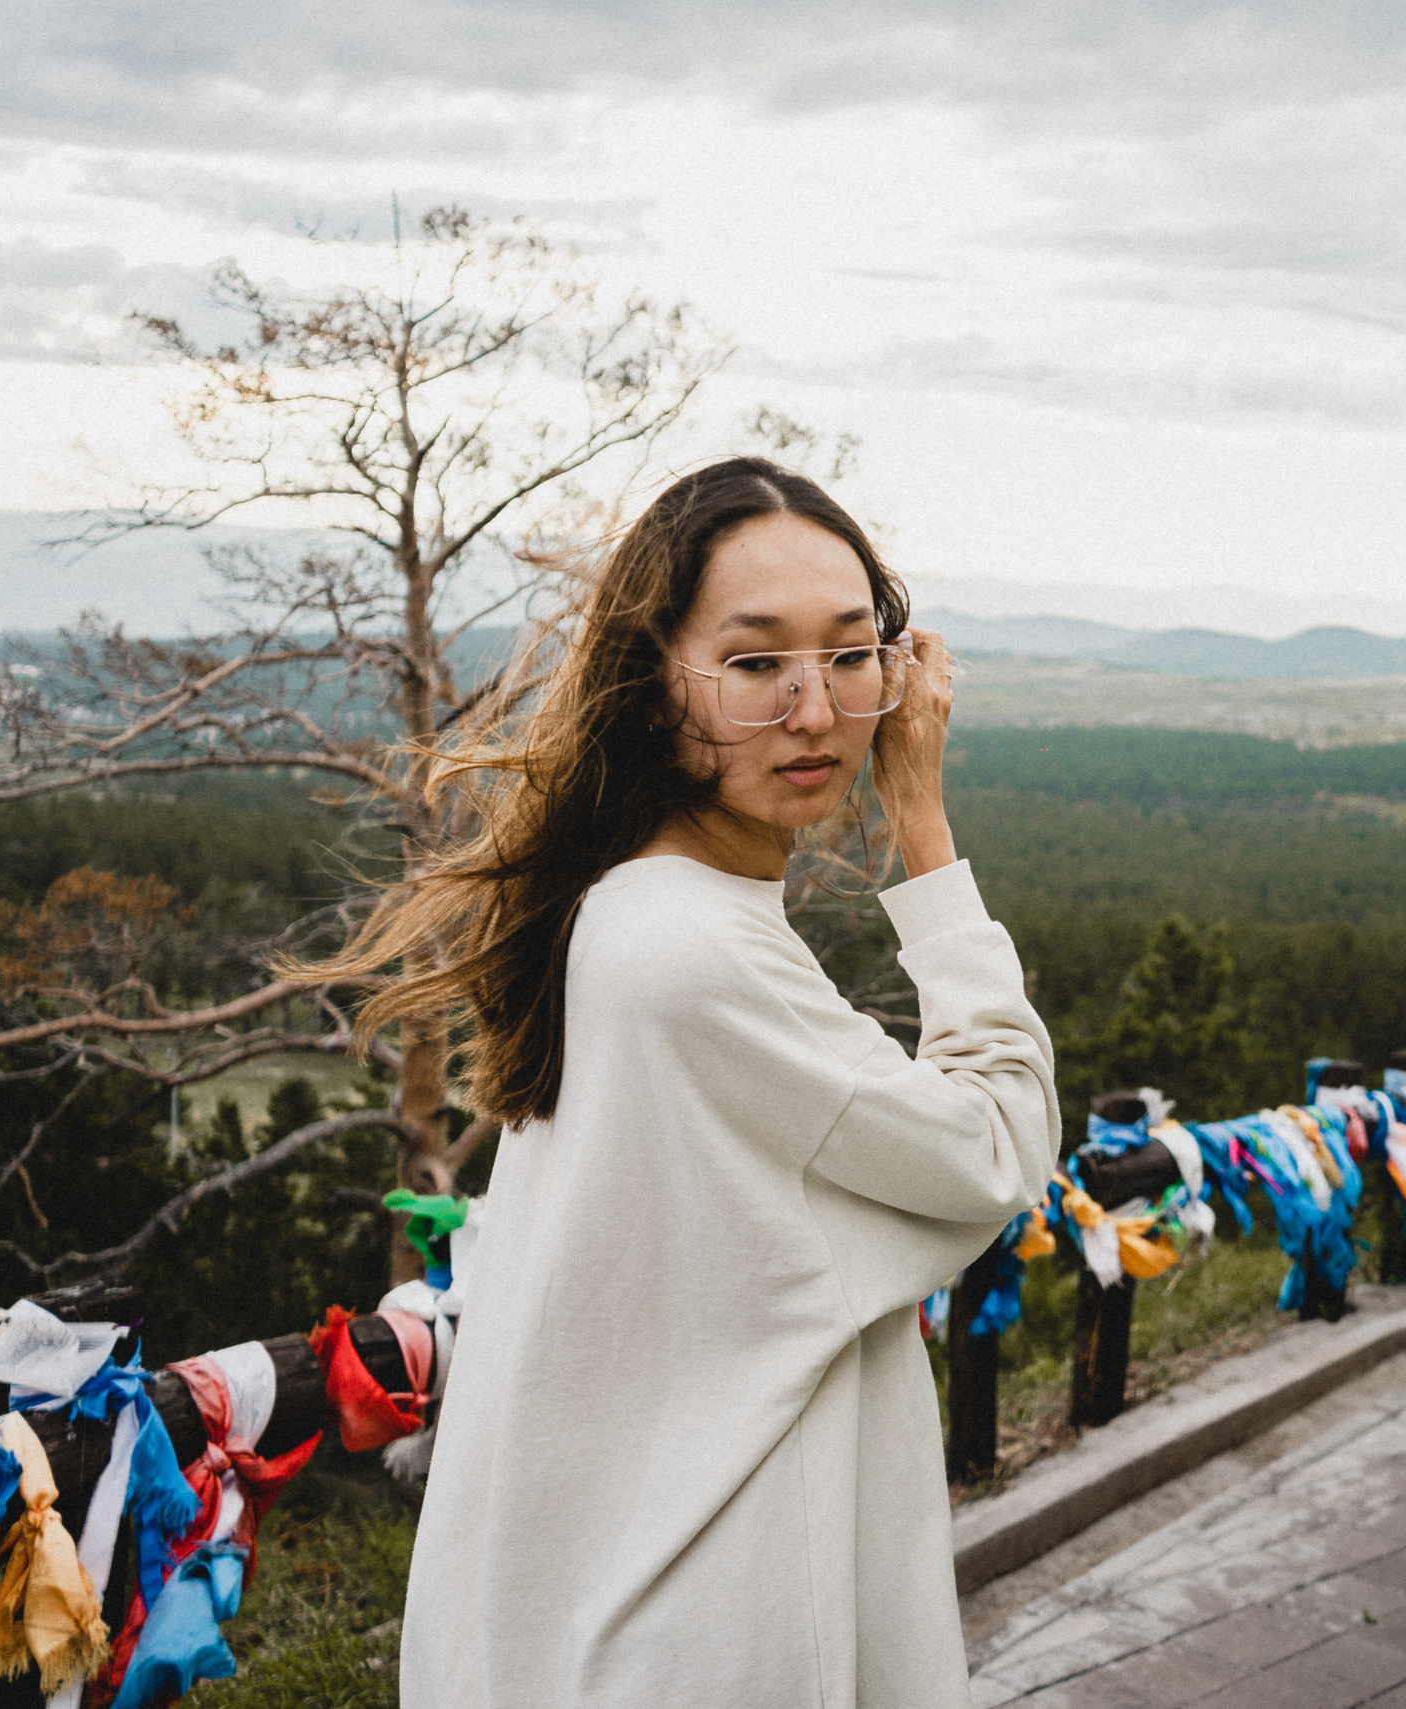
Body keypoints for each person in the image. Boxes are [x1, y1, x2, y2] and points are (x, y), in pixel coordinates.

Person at [309, 457, 1057, 1706]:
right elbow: (995, 1144)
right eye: (757, 663)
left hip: (621, 1606)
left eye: (851, 653)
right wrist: (921, 826)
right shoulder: (693, 949)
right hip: (706, 1623)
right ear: (656, 684)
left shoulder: (627, 905)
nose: (815, 710)